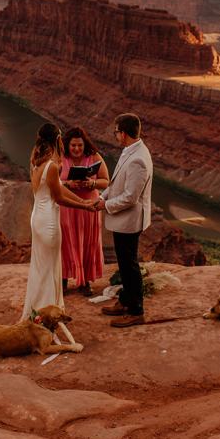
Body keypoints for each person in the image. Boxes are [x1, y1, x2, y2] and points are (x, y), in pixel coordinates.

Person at [21, 122, 96, 321]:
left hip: (37, 217)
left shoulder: (36, 162)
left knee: (41, 265)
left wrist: (82, 200)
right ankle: (46, 314)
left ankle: (40, 309)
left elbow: (60, 188)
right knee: (49, 266)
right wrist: (85, 206)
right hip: (49, 222)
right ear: (56, 140)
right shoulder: (52, 166)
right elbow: (59, 198)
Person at [92, 113, 153, 328]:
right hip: (122, 220)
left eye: (116, 132)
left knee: (129, 265)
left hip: (129, 222)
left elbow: (130, 197)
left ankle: (136, 310)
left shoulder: (138, 159)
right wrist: (102, 197)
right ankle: (126, 300)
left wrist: (105, 206)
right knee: (125, 263)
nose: (115, 136)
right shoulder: (131, 151)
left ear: (123, 133)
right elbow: (116, 183)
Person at [59, 126, 110, 297]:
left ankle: (85, 282)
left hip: (89, 206)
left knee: (88, 242)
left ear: (84, 144)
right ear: (67, 145)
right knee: (65, 242)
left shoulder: (94, 156)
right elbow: (51, 182)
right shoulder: (60, 158)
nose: (76, 149)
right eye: (73, 145)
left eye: (79, 145)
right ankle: (63, 279)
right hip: (67, 207)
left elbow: (106, 181)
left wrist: (92, 183)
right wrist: (68, 184)